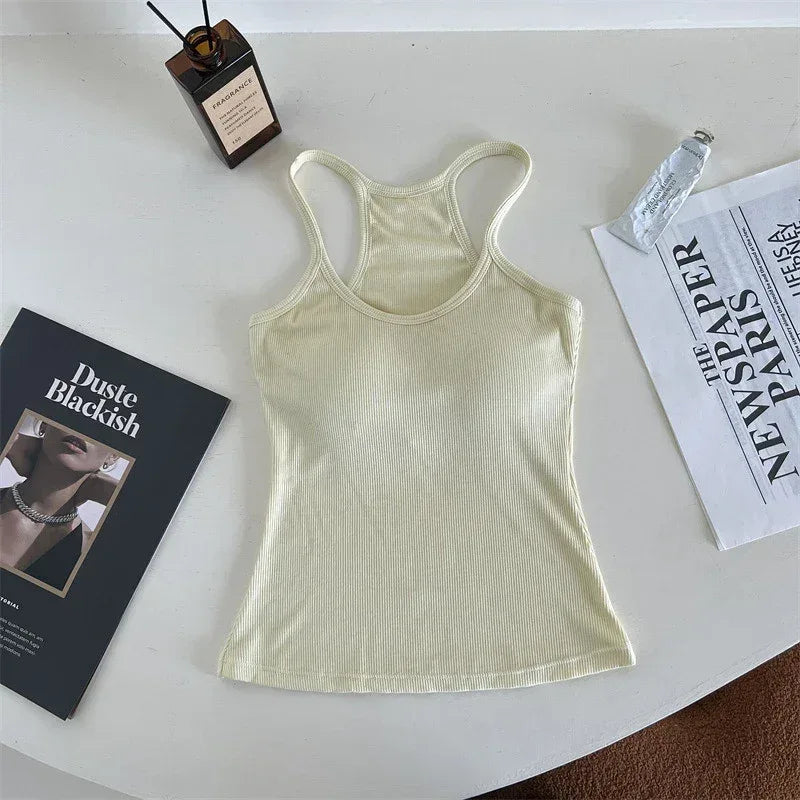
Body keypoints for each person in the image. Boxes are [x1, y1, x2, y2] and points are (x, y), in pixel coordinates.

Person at [0, 418, 120, 590]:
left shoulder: (89, 549)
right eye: (74, 416)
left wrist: (113, 491)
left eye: (104, 430)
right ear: (45, 424)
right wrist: (11, 442)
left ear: (112, 456)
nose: (85, 432)